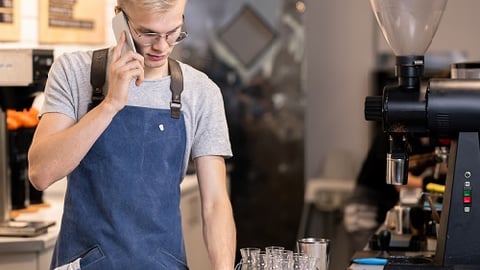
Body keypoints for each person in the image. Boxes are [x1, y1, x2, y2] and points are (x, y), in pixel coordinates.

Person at [27, 0, 236, 269]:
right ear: (120, 19)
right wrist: (110, 104)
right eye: (148, 33)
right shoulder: (73, 72)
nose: (162, 46)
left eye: (173, 32)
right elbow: (40, 173)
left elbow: (216, 203)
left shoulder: (201, 92)